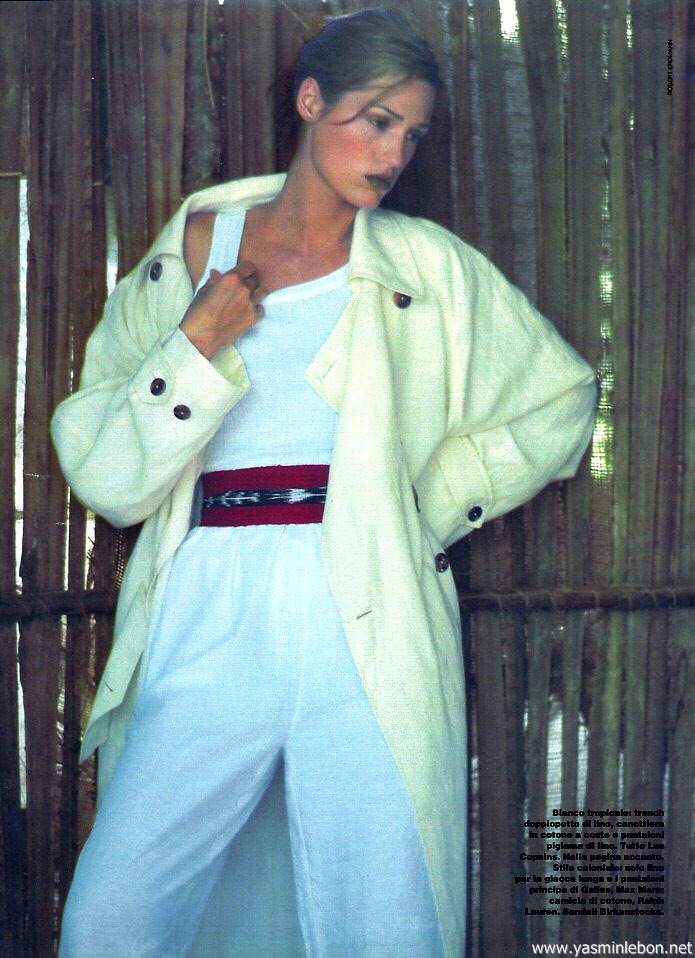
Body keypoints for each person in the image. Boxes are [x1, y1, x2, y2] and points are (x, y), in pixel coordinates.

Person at [53, 8, 597, 958]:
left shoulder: (425, 266)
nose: (392, 154)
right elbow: (107, 476)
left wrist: (414, 508)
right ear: (311, 101)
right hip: (208, 595)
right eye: (376, 121)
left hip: (365, 598)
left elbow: (560, 398)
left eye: (412, 133)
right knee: (115, 915)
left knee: (380, 910)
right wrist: (195, 342)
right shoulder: (191, 251)